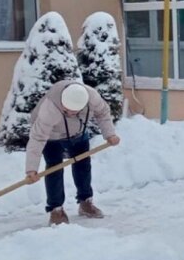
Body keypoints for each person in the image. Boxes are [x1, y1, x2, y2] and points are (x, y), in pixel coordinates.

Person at [24, 81, 119, 226]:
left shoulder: (92, 98)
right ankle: (56, 209)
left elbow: (103, 113)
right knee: (54, 167)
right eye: (67, 110)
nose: (70, 113)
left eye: (74, 111)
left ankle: (85, 202)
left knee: (83, 164)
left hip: (78, 132)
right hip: (52, 135)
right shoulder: (49, 110)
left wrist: (110, 134)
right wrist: (31, 169)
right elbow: (38, 138)